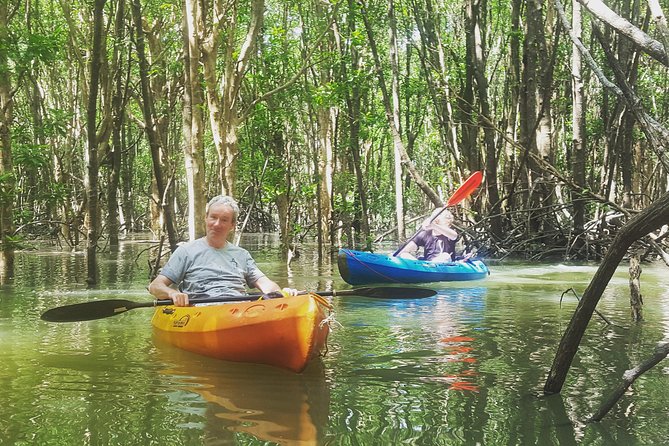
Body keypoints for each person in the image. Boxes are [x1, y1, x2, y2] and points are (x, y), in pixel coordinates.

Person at [148, 195, 298, 307]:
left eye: (224, 220)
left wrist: (282, 293)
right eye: (213, 217)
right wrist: (172, 293)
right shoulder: (186, 251)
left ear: (232, 225)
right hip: (200, 310)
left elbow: (266, 285)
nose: (217, 224)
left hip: (237, 310)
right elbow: (155, 286)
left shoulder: (242, 255)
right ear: (206, 218)